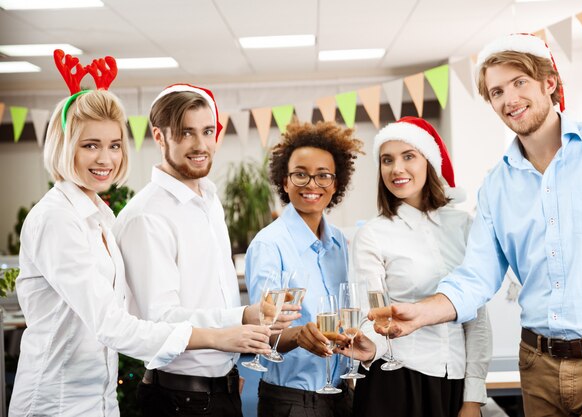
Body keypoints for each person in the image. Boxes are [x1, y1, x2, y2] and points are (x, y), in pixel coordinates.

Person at [9, 53, 272, 417]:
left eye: (114, 145)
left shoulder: (99, 216)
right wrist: (220, 334)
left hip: (100, 400)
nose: (106, 158)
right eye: (90, 145)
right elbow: (111, 324)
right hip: (56, 402)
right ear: (63, 144)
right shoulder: (56, 219)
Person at [378, 34, 582, 416]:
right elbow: (476, 277)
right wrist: (422, 313)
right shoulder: (496, 185)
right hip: (538, 369)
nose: (509, 99)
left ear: (549, 83)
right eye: (496, 92)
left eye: (519, 82)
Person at [113, 83, 296, 417]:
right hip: (178, 398)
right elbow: (161, 320)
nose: (200, 145)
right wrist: (234, 327)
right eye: (186, 133)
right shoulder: (147, 217)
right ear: (159, 137)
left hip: (220, 388)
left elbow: (211, 293)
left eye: (207, 131)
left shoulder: (208, 200)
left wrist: (243, 327)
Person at [341, 116, 491, 417]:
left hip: (455, 384)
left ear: (429, 162)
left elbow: (477, 319)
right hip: (395, 381)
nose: (396, 168)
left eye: (408, 156)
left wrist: (473, 398)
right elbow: (372, 313)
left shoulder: (464, 226)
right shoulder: (372, 234)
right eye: (387, 160)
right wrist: (370, 348)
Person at [244, 121, 363, 417]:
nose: (312, 184)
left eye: (323, 176)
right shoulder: (269, 244)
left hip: (342, 395)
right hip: (291, 402)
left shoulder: (340, 243)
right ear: (285, 182)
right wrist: (298, 336)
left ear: (336, 185)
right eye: (300, 175)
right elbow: (264, 332)